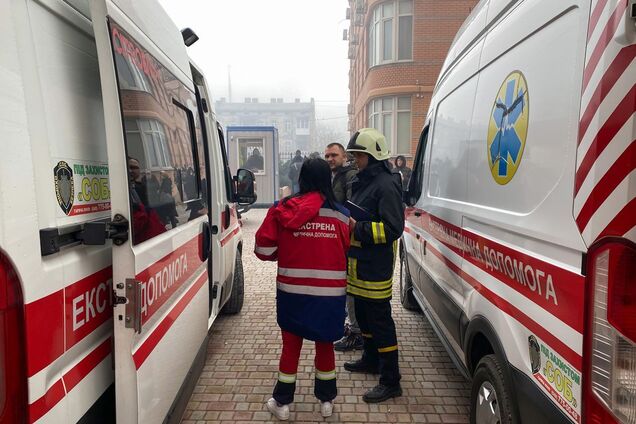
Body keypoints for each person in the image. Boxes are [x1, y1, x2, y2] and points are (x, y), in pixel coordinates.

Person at [255, 158, 351, 421]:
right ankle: (327, 401)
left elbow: (263, 250)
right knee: (325, 346)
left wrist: (286, 252)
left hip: (292, 294)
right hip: (329, 296)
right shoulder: (341, 215)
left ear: (301, 179)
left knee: (290, 348)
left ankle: (282, 404)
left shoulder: (281, 209)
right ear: (327, 180)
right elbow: (348, 249)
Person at [343, 128, 405, 403]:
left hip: (375, 266)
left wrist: (359, 228)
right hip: (359, 264)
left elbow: (393, 229)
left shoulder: (386, 184)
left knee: (380, 321)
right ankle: (370, 359)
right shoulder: (364, 180)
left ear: (373, 156)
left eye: (359, 155)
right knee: (365, 316)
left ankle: (391, 380)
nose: (355, 160)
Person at [324, 142, 362, 352]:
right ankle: (354, 328)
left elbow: (350, 206)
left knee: (351, 288)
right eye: (327, 156)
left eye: (334, 155)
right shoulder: (335, 175)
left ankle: (356, 334)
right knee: (346, 286)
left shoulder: (349, 176)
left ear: (344, 156)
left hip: (349, 239)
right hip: (340, 238)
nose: (330, 159)